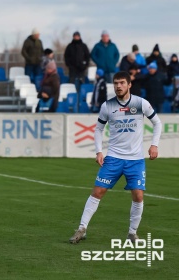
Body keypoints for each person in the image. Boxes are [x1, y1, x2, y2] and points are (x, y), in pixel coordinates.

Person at [69, 71, 161, 244]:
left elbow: (157, 122)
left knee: (138, 196)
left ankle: (132, 233)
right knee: (97, 192)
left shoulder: (141, 103)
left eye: (122, 83)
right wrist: (98, 151)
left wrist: (154, 144)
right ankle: (81, 228)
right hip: (114, 157)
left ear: (129, 84)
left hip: (135, 159)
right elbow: (98, 129)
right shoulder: (107, 106)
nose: (118, 86)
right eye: (116, 83)